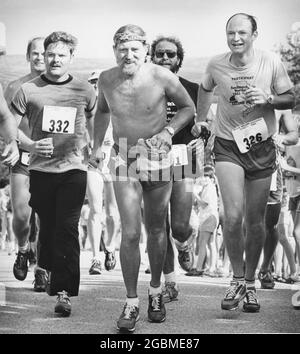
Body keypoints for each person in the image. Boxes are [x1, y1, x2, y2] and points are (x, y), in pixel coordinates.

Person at [91, 24, 195, 332]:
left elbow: (188, 108)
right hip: (124, 154)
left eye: (135, 49)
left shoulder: (161, 76)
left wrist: (167, 132)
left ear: (144, 49)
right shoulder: (107, 79)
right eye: (122, 49)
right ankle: (131, 301)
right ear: (114, 51)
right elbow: (102, 112)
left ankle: (155, 291)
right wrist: (97, 147)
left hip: (158, 156)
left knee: (155, 229)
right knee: (131, 232)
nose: (128, 55)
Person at [192, 13, 295, 313]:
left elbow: (289, 98)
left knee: (257, 221)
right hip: (227, 145)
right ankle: (236, 279)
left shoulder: (270, 62)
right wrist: (201, 119)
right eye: (230, 33)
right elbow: (204, 87)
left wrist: (269, 100)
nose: (236, 38)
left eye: (242, 33)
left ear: (254, 34)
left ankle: (250, 283)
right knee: (232, 217)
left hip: (261, 146)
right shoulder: (216, 64)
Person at [11, 31, 97, 316]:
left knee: (67, 228)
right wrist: (31, 144)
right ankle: (44, 265)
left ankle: (64, 292)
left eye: (61, 55)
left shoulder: (85, 90)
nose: (55, 59)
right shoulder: (28, 90)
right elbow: (9, 129)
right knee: (47, 226)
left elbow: (96, 119)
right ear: (43, 56)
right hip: (41, 170)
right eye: (50, 54)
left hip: (74, 169)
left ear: (71, 57)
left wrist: (94, 147)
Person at [150, 35, 208, 302]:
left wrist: (202, 135)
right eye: (159, 53)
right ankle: (170, 283)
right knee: (158, 225)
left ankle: (184, 243)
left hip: (182, 157)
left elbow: (207, 126)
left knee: (179, 226)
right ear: (152, 57)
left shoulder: (193, 88)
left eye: (170, 54)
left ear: (179, 60)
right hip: (149, 159)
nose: (164, 58)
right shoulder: (143, 87)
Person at [4, 37, 47, 290]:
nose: (40, 57)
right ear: (28, 56)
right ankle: (22, 250)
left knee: (45, 217)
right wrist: (24, 144)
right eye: (35, 53)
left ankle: (42, 268)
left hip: (49, 157)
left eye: (44, 53)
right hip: (22, 155)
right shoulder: (14, 86)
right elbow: (7, 123)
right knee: (22, 216)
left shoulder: (59, 86)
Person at [258, 109, 298, 289]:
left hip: (273, 171)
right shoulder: (241, 94)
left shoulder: (281, 105)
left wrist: (280, 139)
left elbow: (293, 136)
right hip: (244, 164)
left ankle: (266, 268)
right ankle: (243, 275)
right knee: (244, 221)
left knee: (272, 225)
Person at [86, 71, 118, 275]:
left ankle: (110, 247)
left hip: (114, 161)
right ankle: (95, 258)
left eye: (99, 82)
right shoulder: (86, 108)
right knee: (95, 209)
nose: (96, 85)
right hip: (92, 162)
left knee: (113, 212)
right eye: (92, 82)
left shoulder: (117, 104)